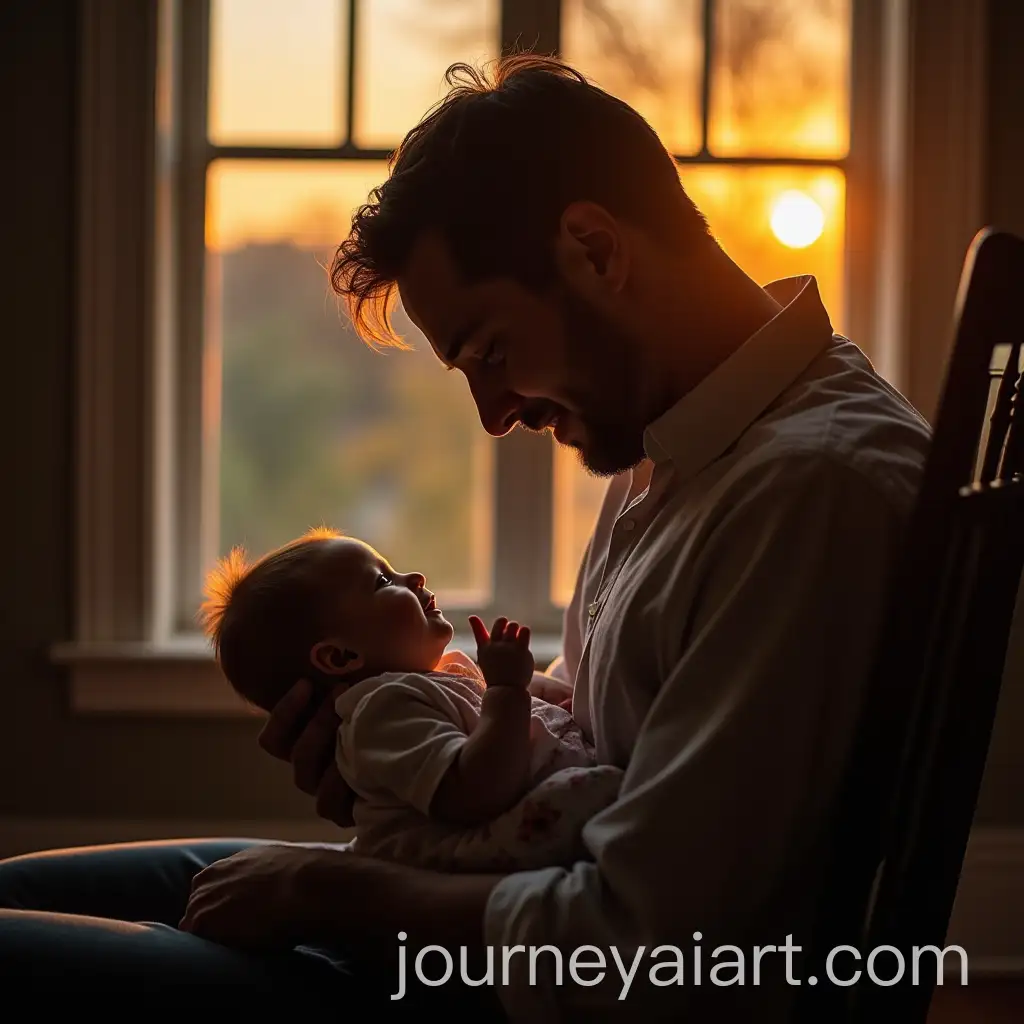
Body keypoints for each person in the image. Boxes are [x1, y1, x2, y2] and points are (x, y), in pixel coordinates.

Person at [0, 54, 932, 1020]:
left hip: (522, 990)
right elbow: (606, 716)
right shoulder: (690, 437)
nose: (494, 415)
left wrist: (333, 891)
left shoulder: (809, 492)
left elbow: (643, 943)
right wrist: (422, 736)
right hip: (501, 904)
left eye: (490, 350)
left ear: (595, 250)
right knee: (18, 896)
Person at [198, 527, 621, 870]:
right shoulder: (381, 714)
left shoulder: (440, 677)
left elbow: (514, 714)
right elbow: (476, 789)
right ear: (340, 656)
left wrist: (548, 696)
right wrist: (507, 691)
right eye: (383, 581)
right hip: (479, 873)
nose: (414, 577)